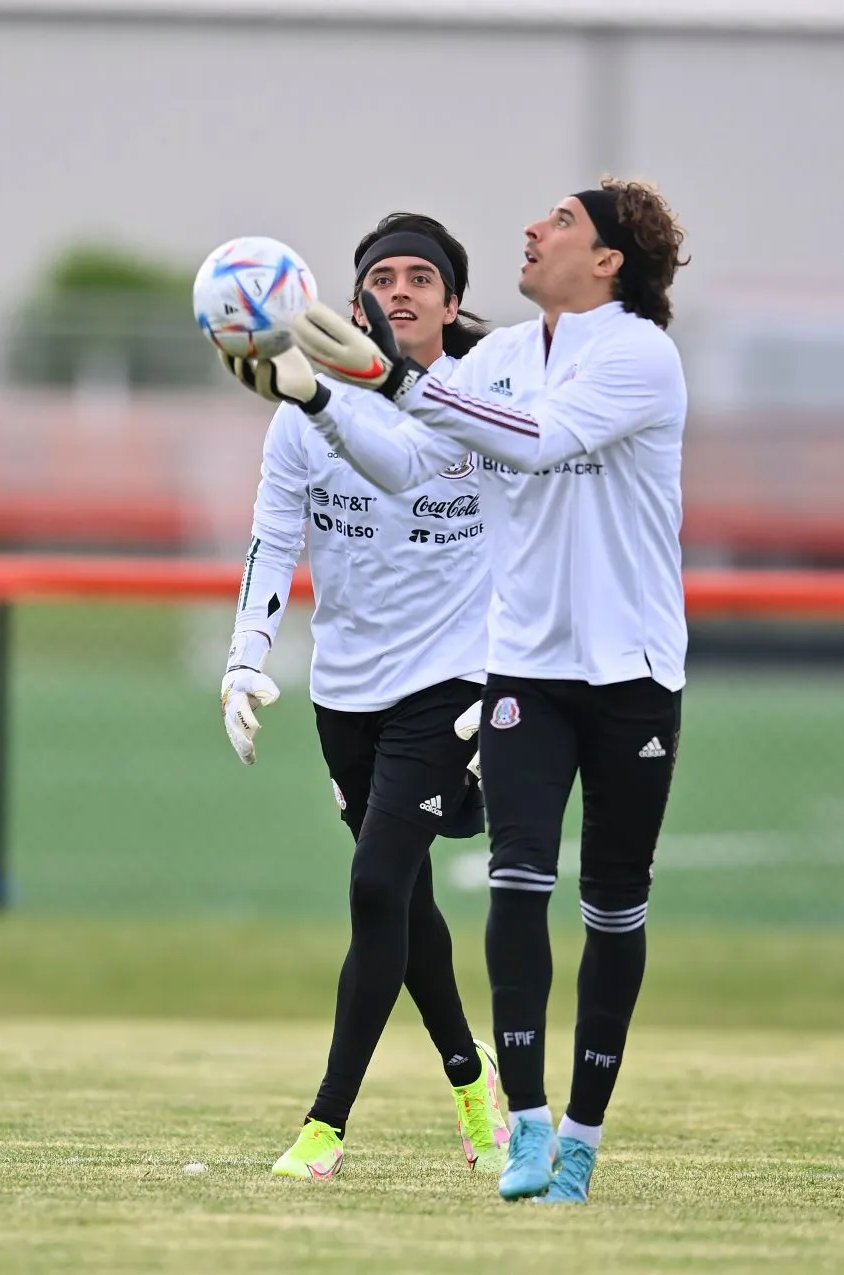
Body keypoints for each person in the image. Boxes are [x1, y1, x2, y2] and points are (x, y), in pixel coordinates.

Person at [269, 175, 688, 1204]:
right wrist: (322, 400)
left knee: (613, 911)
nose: (533, 228)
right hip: (524, 671)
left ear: (606, 261)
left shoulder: (638, 353)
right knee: (511, 885)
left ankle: (581, 1135)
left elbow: (537, 441)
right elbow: (410, 464)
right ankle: (526, 1126)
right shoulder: (498, 358)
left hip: (630, 671)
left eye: (561, 222)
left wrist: (393, 376)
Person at [218, 212, 510, 1180]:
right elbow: (273, 539)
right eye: (381, 275)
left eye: (421, 276)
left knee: (378, 884)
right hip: (346, 692)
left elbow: (398, 456)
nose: (400, 288)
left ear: (452, 303)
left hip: (453, 682)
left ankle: (325, 1126)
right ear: (349, 304)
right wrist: (246, 654)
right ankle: (474, 1085)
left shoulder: (477, 401)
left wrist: (318, 399)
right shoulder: (294, 412)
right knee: (407, 900)